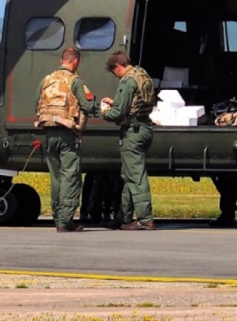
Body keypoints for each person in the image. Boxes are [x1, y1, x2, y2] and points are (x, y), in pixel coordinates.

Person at [34, 47, 98, 232]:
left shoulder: (46, 80)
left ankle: (57, 217)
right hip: (68, 135)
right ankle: (65, 222)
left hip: (48, 134)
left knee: (56, 178)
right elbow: (87, 104)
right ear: (75, 62)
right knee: (70, 177)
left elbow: (35, 102)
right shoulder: (75, 81)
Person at [100, 51, 157, 230]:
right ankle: (123, 217)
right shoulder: (142, 75)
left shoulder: (127, 81)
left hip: (132, 132)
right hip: (144, 128)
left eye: (114, 72)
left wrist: (104, 112)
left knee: (136, 177)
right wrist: (115, 102)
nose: (116, 76)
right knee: (129, 176)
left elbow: (118, 113)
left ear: (118, 67)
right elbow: (134, 103)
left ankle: (145, 218)